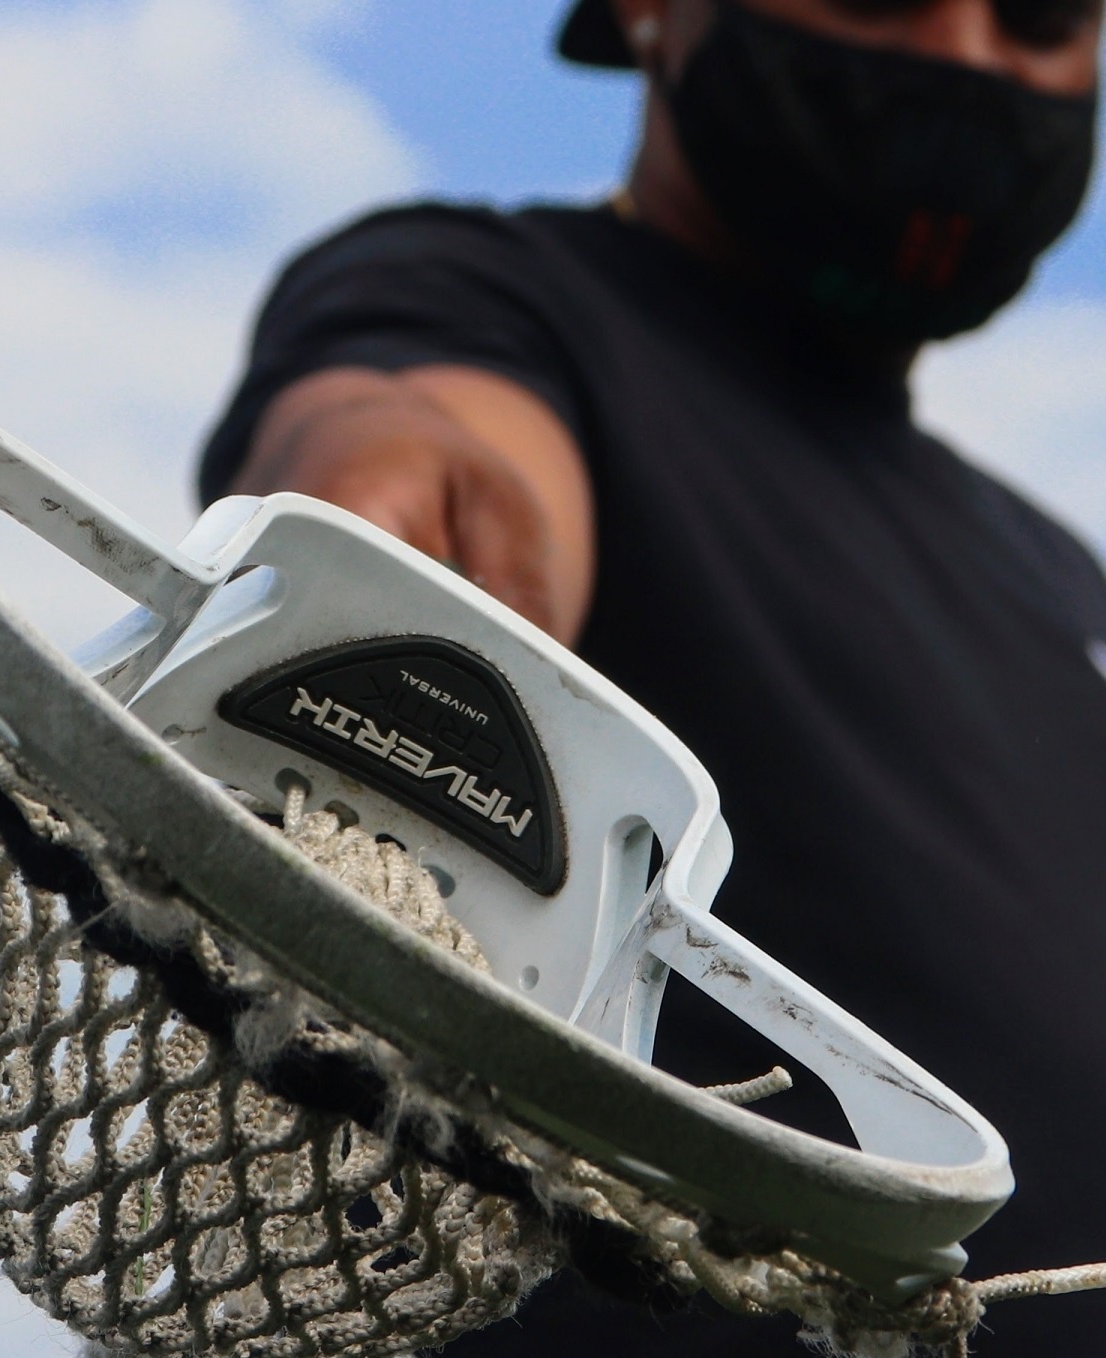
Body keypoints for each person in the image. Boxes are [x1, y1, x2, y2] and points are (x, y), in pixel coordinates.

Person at [197, 0, 1106, 1350]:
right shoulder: (489, 296)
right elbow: (415, 428)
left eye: (1039, 16)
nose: (966, 58)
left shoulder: (1059, 576)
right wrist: (396, 503)